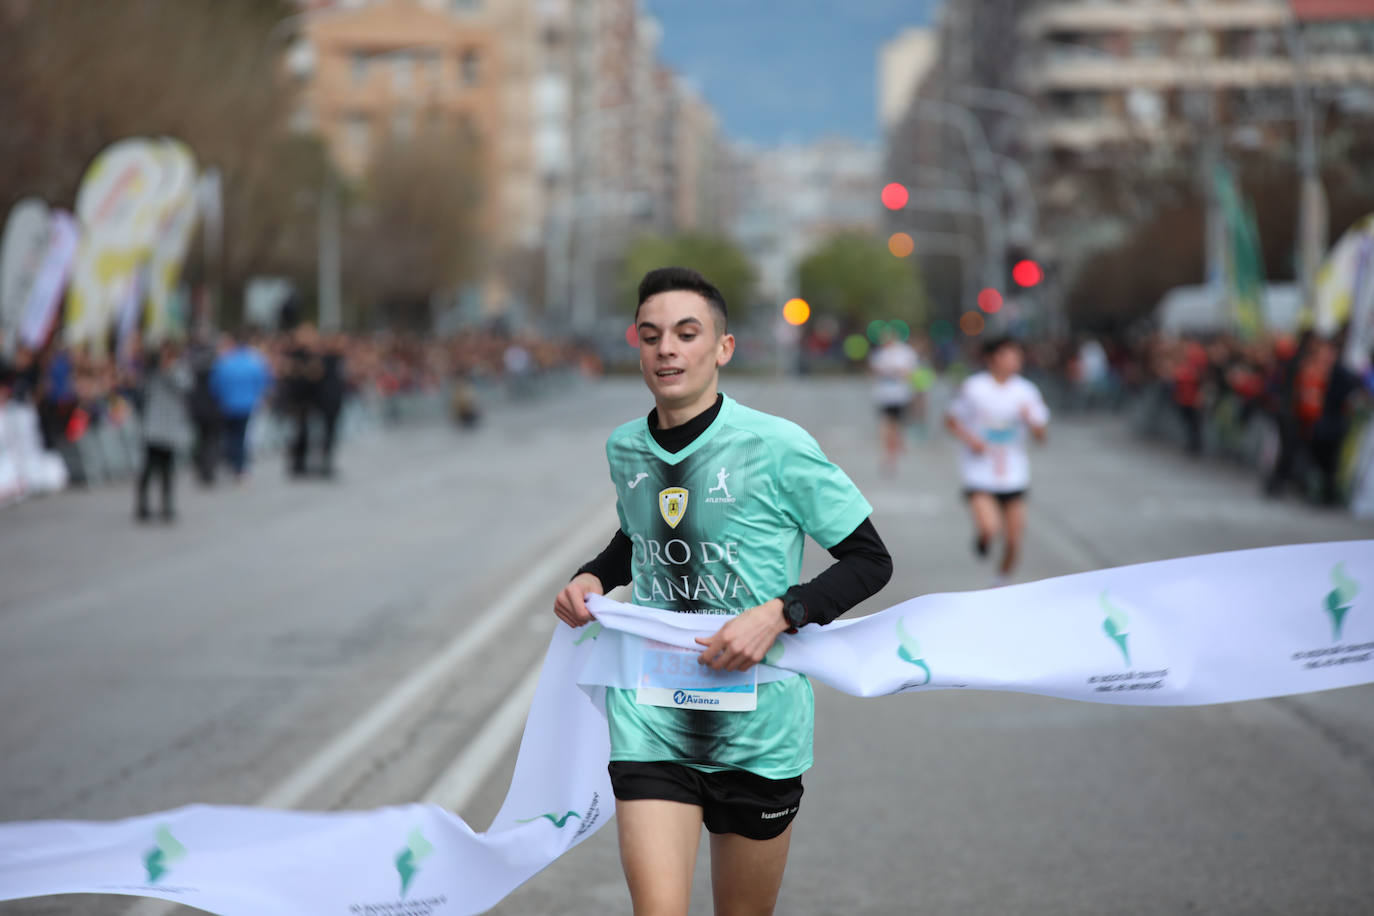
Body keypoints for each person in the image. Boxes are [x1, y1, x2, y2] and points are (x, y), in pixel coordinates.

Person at [552, 267, 892, 916]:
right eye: (650, 336)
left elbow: (870, 559)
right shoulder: (625, 448)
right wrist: (594, 573)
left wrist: (781, 613)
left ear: (723, 348)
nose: (666, 349)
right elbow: (639, 535)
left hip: (759, 728)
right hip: (651, 716)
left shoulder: (778, 446)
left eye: (686, 333)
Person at [944, 336, 1049, 586]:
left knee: (1014, 541)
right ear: (992, 358)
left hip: (1014, 474)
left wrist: (1031, 421)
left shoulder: (1027, 391)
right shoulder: (974, 387)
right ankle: (982, 539)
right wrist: (971, 440)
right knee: (991, 529)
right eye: (1009, 355)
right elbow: (950, 420)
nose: (1015, 360)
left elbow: (1042, 436)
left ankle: (999, 585)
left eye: (1018, 355)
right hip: (980, 473)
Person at [135, 341, 192, 522]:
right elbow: (140, 391)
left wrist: (169, 369)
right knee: (148, 468)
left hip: (169, 427)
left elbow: (186, 385)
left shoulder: (179, 370)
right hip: (153, 426)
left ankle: (167, 506)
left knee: (167, 469)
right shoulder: (151, 372)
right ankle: (142, 505)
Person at [210, 332, 272, 481]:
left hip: (228, 404)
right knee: (241, 436)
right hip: (246, 404)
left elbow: (215, 384)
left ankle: (231, 461)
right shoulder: (254, 362)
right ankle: (239, 466)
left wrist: (221, 398)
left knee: (229, 435)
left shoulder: (225, 362)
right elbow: (263, 382)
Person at [868, 327, 919, 475]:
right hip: (884, 396)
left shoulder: (905, 352)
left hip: (900, 395)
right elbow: (874, 371)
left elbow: (909, 373)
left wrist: (895, 371)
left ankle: (895, 450)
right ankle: (890, 454)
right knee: (887, 426)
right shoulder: (880, 354)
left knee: (895, 426)